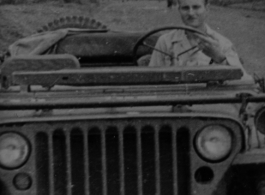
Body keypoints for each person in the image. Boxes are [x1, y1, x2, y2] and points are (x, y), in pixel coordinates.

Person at [149, 0, 250, 78]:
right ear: (179, 10)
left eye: (196, 7)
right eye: (185, 8)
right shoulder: (165, 41)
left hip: (208, 101)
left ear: (207, 8)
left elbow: (245, 81)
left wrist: (219, 58)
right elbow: (150, 77)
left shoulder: (222, 43)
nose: (191, 13)